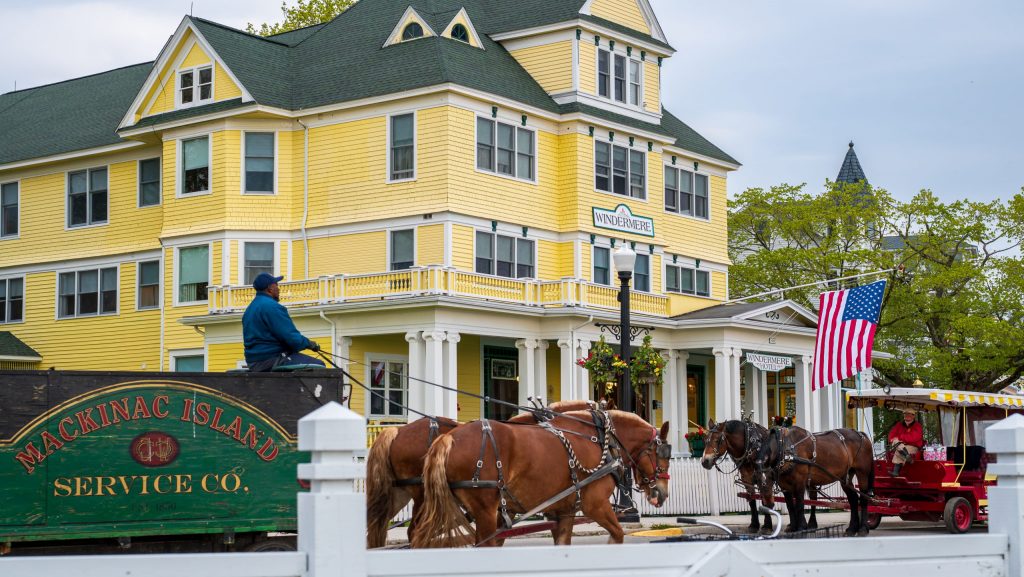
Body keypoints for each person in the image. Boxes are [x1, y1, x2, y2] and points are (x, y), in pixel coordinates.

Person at [242, 273, 325, 372]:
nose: (278, 289)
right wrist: (309, 344)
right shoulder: (272, 307)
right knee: (318, 366)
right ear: (270, 288)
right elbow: (290, 336)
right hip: (272, 359)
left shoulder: (250, 309)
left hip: (253, 362)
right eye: (276, 285)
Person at [888, 408, 924, 476]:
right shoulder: (899, 424)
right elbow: (891, 435)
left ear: (913, 416)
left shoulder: (917, 426)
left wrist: (900, 438)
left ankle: (896, 472)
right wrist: (896, 439)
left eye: (909, 414)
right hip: (900, 445)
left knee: (897, 447)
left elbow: (913, 437)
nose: (907, 415)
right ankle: (908, 457)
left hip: (913, 447)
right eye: (905, 414)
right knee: (896, 443)